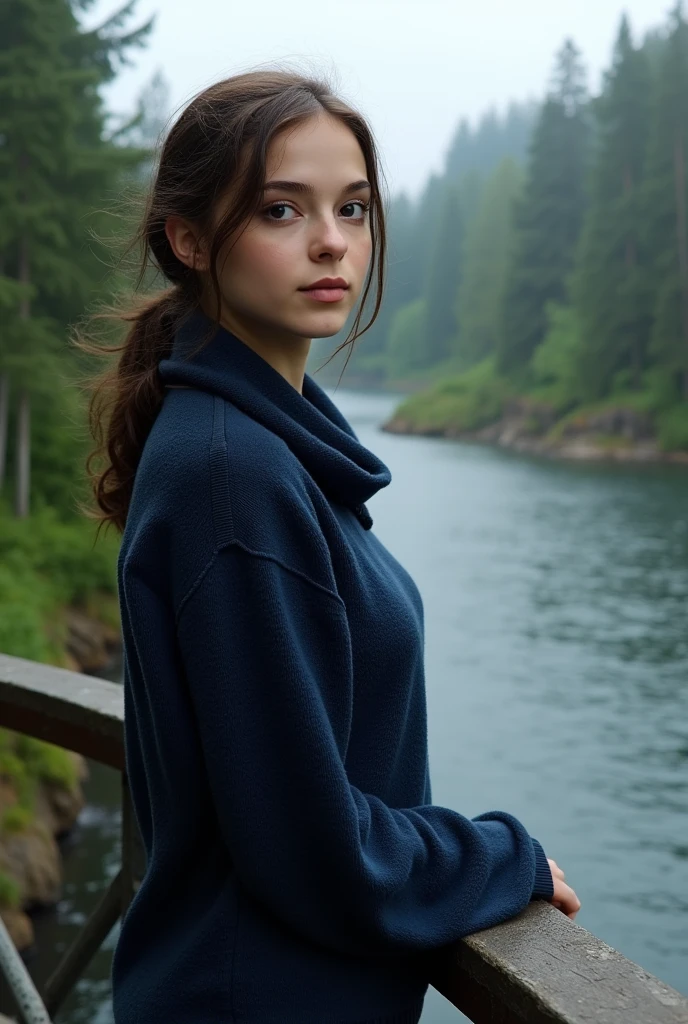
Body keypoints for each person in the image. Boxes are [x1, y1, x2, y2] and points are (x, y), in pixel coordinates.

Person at [75, 68, 580, 1024]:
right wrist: (498, 856)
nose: (332, 242)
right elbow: (312, 850)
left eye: (352, 206)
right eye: (280, 209)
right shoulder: (236, 477)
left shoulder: (263, 448)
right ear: (188, 239)